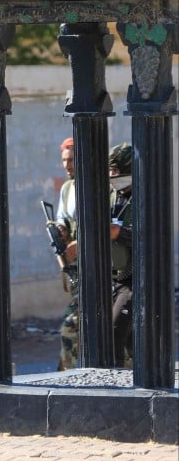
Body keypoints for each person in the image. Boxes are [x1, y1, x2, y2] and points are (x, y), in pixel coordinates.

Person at [54, 137, 80, 371]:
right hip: (77, 271)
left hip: (107, 272)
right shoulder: (67, 189)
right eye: (64, 160)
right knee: (71, 329)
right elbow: (64, 219)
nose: (66, 165)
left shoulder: (102, 187)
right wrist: (60, 230)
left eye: (71, 160)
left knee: (70, 328)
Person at [106, 142, 133, 367]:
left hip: (135, 280)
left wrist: (120, 233)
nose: (112, 177)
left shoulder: (144, 198)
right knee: (129, 340)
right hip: (115, 277)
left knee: (114, 331)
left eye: (115, 171)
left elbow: (150, 237)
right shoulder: (114, 198)